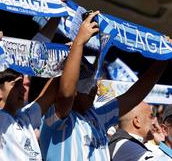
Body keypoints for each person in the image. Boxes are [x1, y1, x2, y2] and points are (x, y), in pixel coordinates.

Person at [39, 10, 169, 160]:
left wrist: (164, 58)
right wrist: (78, 43)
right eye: (85, 75)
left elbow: (135, 95)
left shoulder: (97, 116)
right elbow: (66, 93)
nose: (94, 85)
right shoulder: (53, 115)